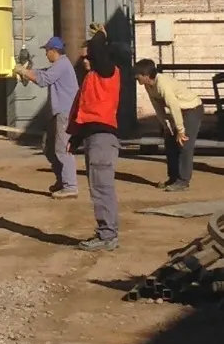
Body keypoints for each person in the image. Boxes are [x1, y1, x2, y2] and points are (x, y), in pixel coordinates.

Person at [70, 33, 122, 251]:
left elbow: (99, 49)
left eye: (87, 56)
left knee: (102, 188)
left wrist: (100, 33)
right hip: (94, 138)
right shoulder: (90, 80)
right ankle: (106, 233)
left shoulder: (107, 72)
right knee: (98, 187)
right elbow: (83, 113)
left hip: (102, 139)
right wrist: (75, 139)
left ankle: (107, 235)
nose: (84, 61)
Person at [15, 34, 80, 197]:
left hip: (65, 113)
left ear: (54, 51)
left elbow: (44, 80)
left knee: (62, 149)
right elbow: (43, 73)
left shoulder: (62, 64)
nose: (46, 54)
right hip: (58, 113)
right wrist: (28, 72)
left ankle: (70, 186)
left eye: (47, 51)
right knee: (50, 149)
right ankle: (62, 180)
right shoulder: (60, 65)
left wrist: (24, 71)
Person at [134, 59, 204, 191]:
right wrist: (165, 124)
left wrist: (180, 130)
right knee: (170, 142)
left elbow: (174, 106)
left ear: (146, 75)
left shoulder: (163, 84)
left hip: (191, 109)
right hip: (177, 112)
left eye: (138, 74)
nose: (136, 77)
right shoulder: (148, 86)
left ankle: (183, 181)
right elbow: (157, 106)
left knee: (184, 144)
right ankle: (173, 178)